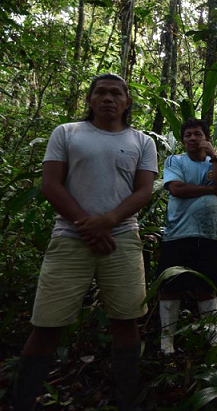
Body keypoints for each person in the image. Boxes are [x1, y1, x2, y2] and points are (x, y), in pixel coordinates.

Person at [12, 74, 158, 411]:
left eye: (116, 93)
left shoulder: (142, 141)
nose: (109, 98)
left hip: (121, 239)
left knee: (126, 320)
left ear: (127, 101)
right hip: (69, 238)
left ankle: (126, 399)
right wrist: (87, 226)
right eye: (101, 92)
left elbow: (144, 191)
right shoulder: (66, 133)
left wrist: (107, 222)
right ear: (90, 98)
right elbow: (52, 185)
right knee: (47, 324)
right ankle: (21, 400)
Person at [156, 118, 217, 355]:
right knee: (171, 286)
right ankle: (167, 342)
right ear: (182, 140)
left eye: (197, 134)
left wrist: (215, 157)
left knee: (206, 286)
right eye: (187, 135)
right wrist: (211, 190)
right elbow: (177, 189)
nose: (192, 138)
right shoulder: (175, 161)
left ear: (206, 139)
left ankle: (212, 339)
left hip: (210, 236)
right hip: (178, 234)